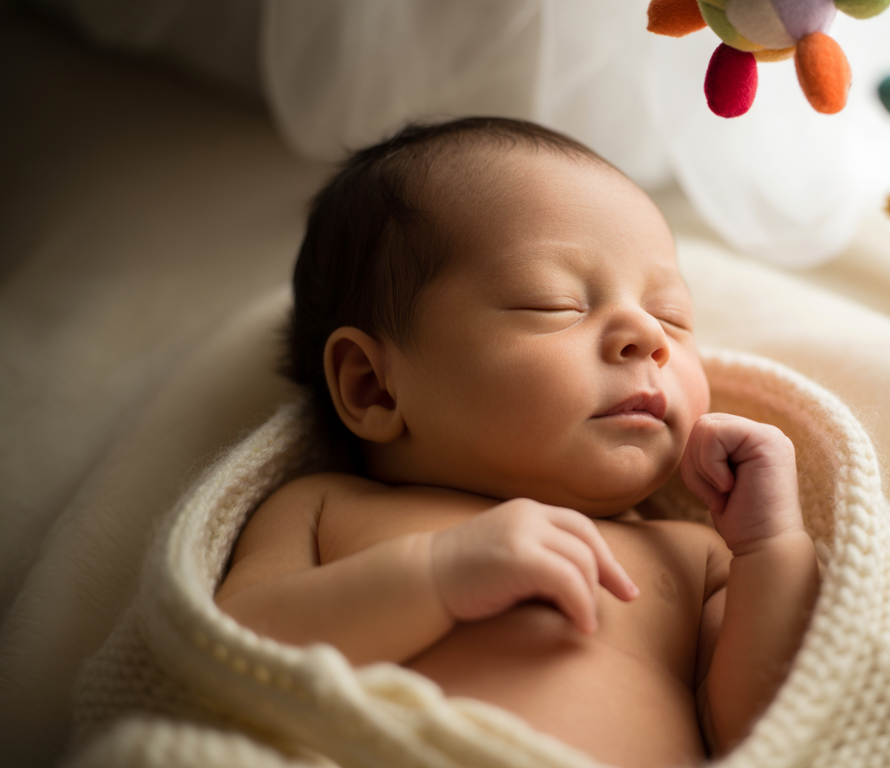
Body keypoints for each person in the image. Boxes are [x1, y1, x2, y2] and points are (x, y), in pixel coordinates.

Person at [214, 118, 819, 768]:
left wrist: (774, 548)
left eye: (672, 316)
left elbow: (766, 729)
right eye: (552, 303)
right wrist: (435, 576)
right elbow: (233, 654)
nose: (648, 336)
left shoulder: (697, 557)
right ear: (374, 389)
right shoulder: (327, 508)